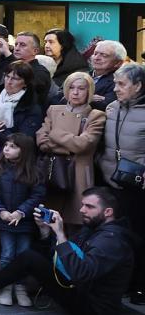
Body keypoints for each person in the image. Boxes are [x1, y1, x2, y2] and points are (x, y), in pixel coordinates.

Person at [0, 187, 135, 315]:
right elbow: (61, 256)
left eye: (89, 207)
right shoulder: (93, 228)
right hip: (79, 290)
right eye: (82, 205)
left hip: (92, 307)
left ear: (108, 212)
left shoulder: (112, 241)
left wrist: (59, 233)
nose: (82, 210)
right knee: (31, 257)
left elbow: (79, 272)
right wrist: (46, 231)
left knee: (30, 259)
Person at [96, 62, 145, 304]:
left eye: (121, 84)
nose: (115, 88)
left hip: (137, 184)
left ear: (138, 86)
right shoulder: (112, 107)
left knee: (137, 236)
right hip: (109, 180)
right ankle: (120, 283)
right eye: (115, 83)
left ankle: (139, 285)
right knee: (116, 235)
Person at [0, 132, 45, 306]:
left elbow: (37, 194)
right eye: (6, 145)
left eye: (13, 147)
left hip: (24, 221)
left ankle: (20, 286)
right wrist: (0, 211)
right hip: (4, 219)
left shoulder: (34, 170)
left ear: (24, 151)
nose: (7, 149)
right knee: (7, 253)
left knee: (23, 253)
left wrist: (22, 212)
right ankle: (5, 286)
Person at [37, 71, 106, 227]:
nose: (75, 92)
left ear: (89, 91)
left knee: (75, 224)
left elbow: (82, 144)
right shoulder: (53, 109)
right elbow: (41, 139)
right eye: (71, 87)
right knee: (49, 222)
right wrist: (66, 144)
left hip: (78, 174)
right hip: (53, 172)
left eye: (81, 88)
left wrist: (55, 133)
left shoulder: (96, 115)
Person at [0, 60, 45, 166]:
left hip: (15, 162)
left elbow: (23, 141)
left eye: (15, 78)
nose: (9, 81)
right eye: (7, 76)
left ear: (25, 83)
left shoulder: (31, 107)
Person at [89, 39, 126, 110]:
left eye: (104, 55)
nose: (96, 58)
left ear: (118, 63)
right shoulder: (81, 75)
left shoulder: (120, 81)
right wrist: (88, 98)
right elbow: (62, 99)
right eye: (95, 53)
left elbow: (106, 106)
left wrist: (78, 98)